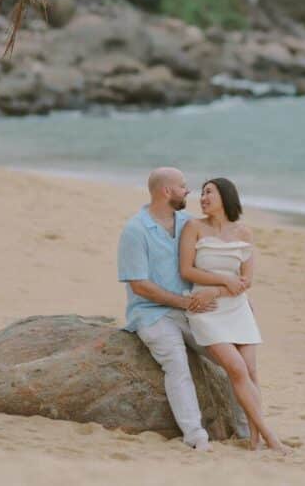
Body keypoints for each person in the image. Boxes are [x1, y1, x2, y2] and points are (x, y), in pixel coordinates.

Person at [116, 167, 246, 451]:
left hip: (192, 310)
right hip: (151, 314)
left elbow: (218, 248)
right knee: (177, 363)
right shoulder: (135, 230)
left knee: (231, 362)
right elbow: (140, 286)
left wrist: (221, 285)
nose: (189, 191)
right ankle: (195, 436)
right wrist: (183, 302)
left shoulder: (189, 223)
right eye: (183, 186)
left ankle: (246, 431)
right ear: (166, 191)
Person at [179, 178, 287, 453]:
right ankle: (270, 436)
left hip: (236, 308)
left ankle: (254, 438)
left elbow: (245, 280)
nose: (203, 198)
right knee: (236, 369)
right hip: (207, 311)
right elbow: (187, 271)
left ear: (225, 196)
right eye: (202, 193)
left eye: (209, 192)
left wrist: (219, 289)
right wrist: (222, 282)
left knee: (251, 371)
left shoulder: (244, 233)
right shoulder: (194, 227)